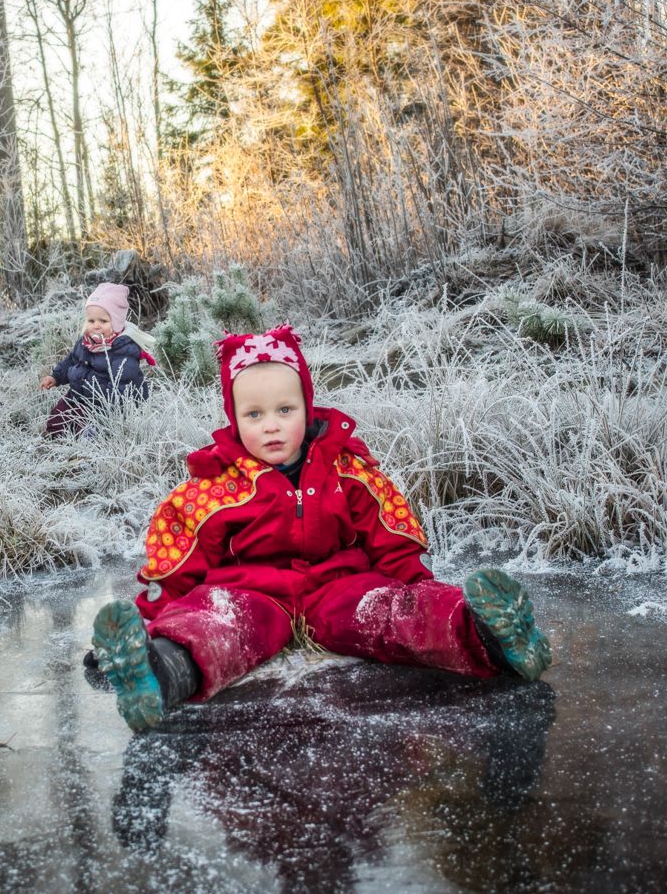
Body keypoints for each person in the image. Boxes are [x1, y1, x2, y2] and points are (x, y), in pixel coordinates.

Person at [88, 324, 552, 731]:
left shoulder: (345, 469)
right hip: (253, 595)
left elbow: (388, 532)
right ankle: (154, 670)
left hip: (339, 587)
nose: (271, 426)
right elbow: (179, 559)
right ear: (234, 417)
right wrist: (153, 620)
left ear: (307, 407)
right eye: (254, 415)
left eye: (284, 410)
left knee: (388, 614)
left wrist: (415, 587)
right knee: (218, 626)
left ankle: (491, 635)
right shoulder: (218, 486)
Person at [40, 282, 152, 437]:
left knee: (84, 426)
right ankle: (56, 438)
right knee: (58, 417)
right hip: (79, 394)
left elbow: (122, 387)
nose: (96, 326)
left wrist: (103, 407)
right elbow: (71, 360)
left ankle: (88, 444)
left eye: (103, 321)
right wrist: (56, 376)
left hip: (103, 403)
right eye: (91, 321)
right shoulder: (86, 342)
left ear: (117, 322)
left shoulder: (122, 351)